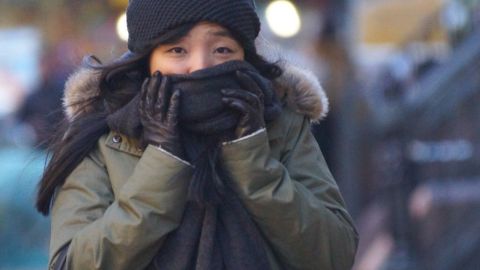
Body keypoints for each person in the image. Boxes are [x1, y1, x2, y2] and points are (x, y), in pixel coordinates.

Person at [36, 1, 358, 269]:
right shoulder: (106, 135)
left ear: (244, 55)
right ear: (147, 60)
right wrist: (163, 163)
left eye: (222, 49)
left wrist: (253, 161)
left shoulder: (280, 123)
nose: (201, 66)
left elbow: (335, 254)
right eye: (177, 50)